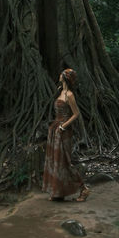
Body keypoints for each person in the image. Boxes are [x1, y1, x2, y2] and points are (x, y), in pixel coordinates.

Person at [42, 67, 90, 202]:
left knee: (66, 161)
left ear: (65, 78)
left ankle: (84, 189)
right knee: (56, 160)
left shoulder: (69, 95)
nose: (59, 74)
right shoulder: (60, 91)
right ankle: (59, 192)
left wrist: (63, 126)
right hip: (55, 129)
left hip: (64, 130)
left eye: (62, 73)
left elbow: (76, 114)